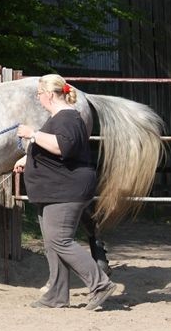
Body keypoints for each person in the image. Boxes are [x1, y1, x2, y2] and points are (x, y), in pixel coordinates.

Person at [14, 74, 117, 309]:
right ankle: (56, 295)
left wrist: (32, 134)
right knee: (52, 243)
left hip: (65, 190)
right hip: (54, 190)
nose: (38, 98)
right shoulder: (62, 118)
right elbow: (57, 148)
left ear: (49, 94)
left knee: (60, 240)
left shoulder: (67, 118)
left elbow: (63, 147)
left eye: (39, 94)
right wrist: (28, 158)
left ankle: (100, 284)